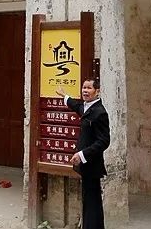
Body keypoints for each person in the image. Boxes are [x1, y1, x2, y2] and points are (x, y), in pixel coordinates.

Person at [56, 78, 110, 229]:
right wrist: (64, 96)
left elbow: (104, 141)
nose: (85, 91)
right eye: (83, 88)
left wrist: (82, 154)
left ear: (97, 91)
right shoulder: (87, 108)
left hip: (92, 164)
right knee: (89, 199)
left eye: (89, 88)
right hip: (87, 165)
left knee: (92, 200)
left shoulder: (100, 112)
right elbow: (77, 106)